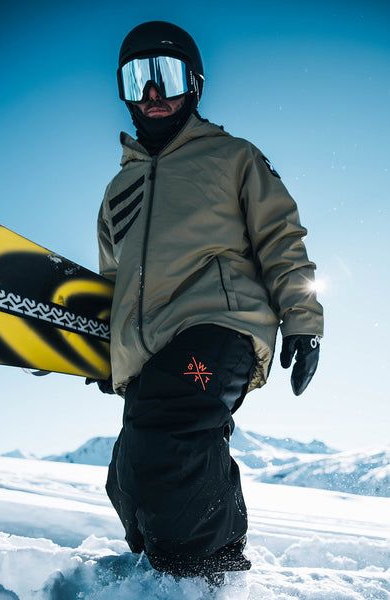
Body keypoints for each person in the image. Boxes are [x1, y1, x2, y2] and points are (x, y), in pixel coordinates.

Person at [88, 20, 324, 583]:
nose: (152, 93)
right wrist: (99, 350)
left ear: (193, 85)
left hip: (221, 326)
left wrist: (303, 319)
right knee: (128, 471)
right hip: (151, 354)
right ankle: (180, 573)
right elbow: (112, 282)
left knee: (167, 434)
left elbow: (281, 237)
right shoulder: (117, 191)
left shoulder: (233, 157)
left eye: (165, 77)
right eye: (137, 80)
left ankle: (197, 578)